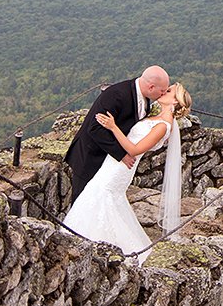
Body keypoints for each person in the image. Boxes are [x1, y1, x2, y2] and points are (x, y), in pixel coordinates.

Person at [62, 82, 192, 260]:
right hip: (113, 163)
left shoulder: (163, 126)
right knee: (100, 197)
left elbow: (134, 150)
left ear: (175, 102)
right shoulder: (156, 117)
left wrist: (113, 126)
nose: (163, 91)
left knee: (101, 195)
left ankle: (96, 245)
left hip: (121, 167)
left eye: (168, 91)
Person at [64, 66, 169, 203]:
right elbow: (95, 128)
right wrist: (122, 154)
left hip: (108, 161)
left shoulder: (146, 100)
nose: (164, 94)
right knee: (82, 203)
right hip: (90, 157)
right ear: (151, 87)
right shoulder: (116, 94)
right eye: (162, 91)